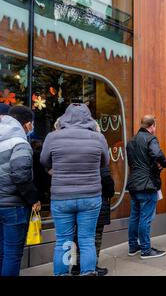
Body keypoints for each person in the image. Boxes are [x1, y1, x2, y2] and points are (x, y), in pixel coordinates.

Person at [40, 103, 109, 276]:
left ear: (65, 117)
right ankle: (87, 272)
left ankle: (62, 273)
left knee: (63, 241)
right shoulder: (98, 138)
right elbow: (104, 162)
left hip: (62, 197)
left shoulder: (53, 137)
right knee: (87, 240)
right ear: (89, 118)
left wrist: (55, 171)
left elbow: (44, 161)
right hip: (91, 196)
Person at [0, 107, 40, 276]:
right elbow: (21, 175)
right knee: (13, 253)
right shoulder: (19, 142)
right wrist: (33, 199)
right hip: (13, 206)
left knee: (2, 250)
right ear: (28, 124)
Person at [126, 115, 166, 259]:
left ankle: (133, 246)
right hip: (147, 184)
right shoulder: (150, 139)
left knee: (134, 217)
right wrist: (164, 163)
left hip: (133, 184)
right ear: (151, 126)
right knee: (145, 218)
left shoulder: (131, 141)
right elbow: (156, 153)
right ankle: (145, 250)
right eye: (155, 126)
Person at [72, 166, 115, 276]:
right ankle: (92, 266)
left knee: (79, 235)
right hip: (98, 203)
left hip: (79, 201)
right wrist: (110, 193)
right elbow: (107, 181)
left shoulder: (79, 160)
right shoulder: (99, 161)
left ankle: (77, 265)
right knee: (95, 236)